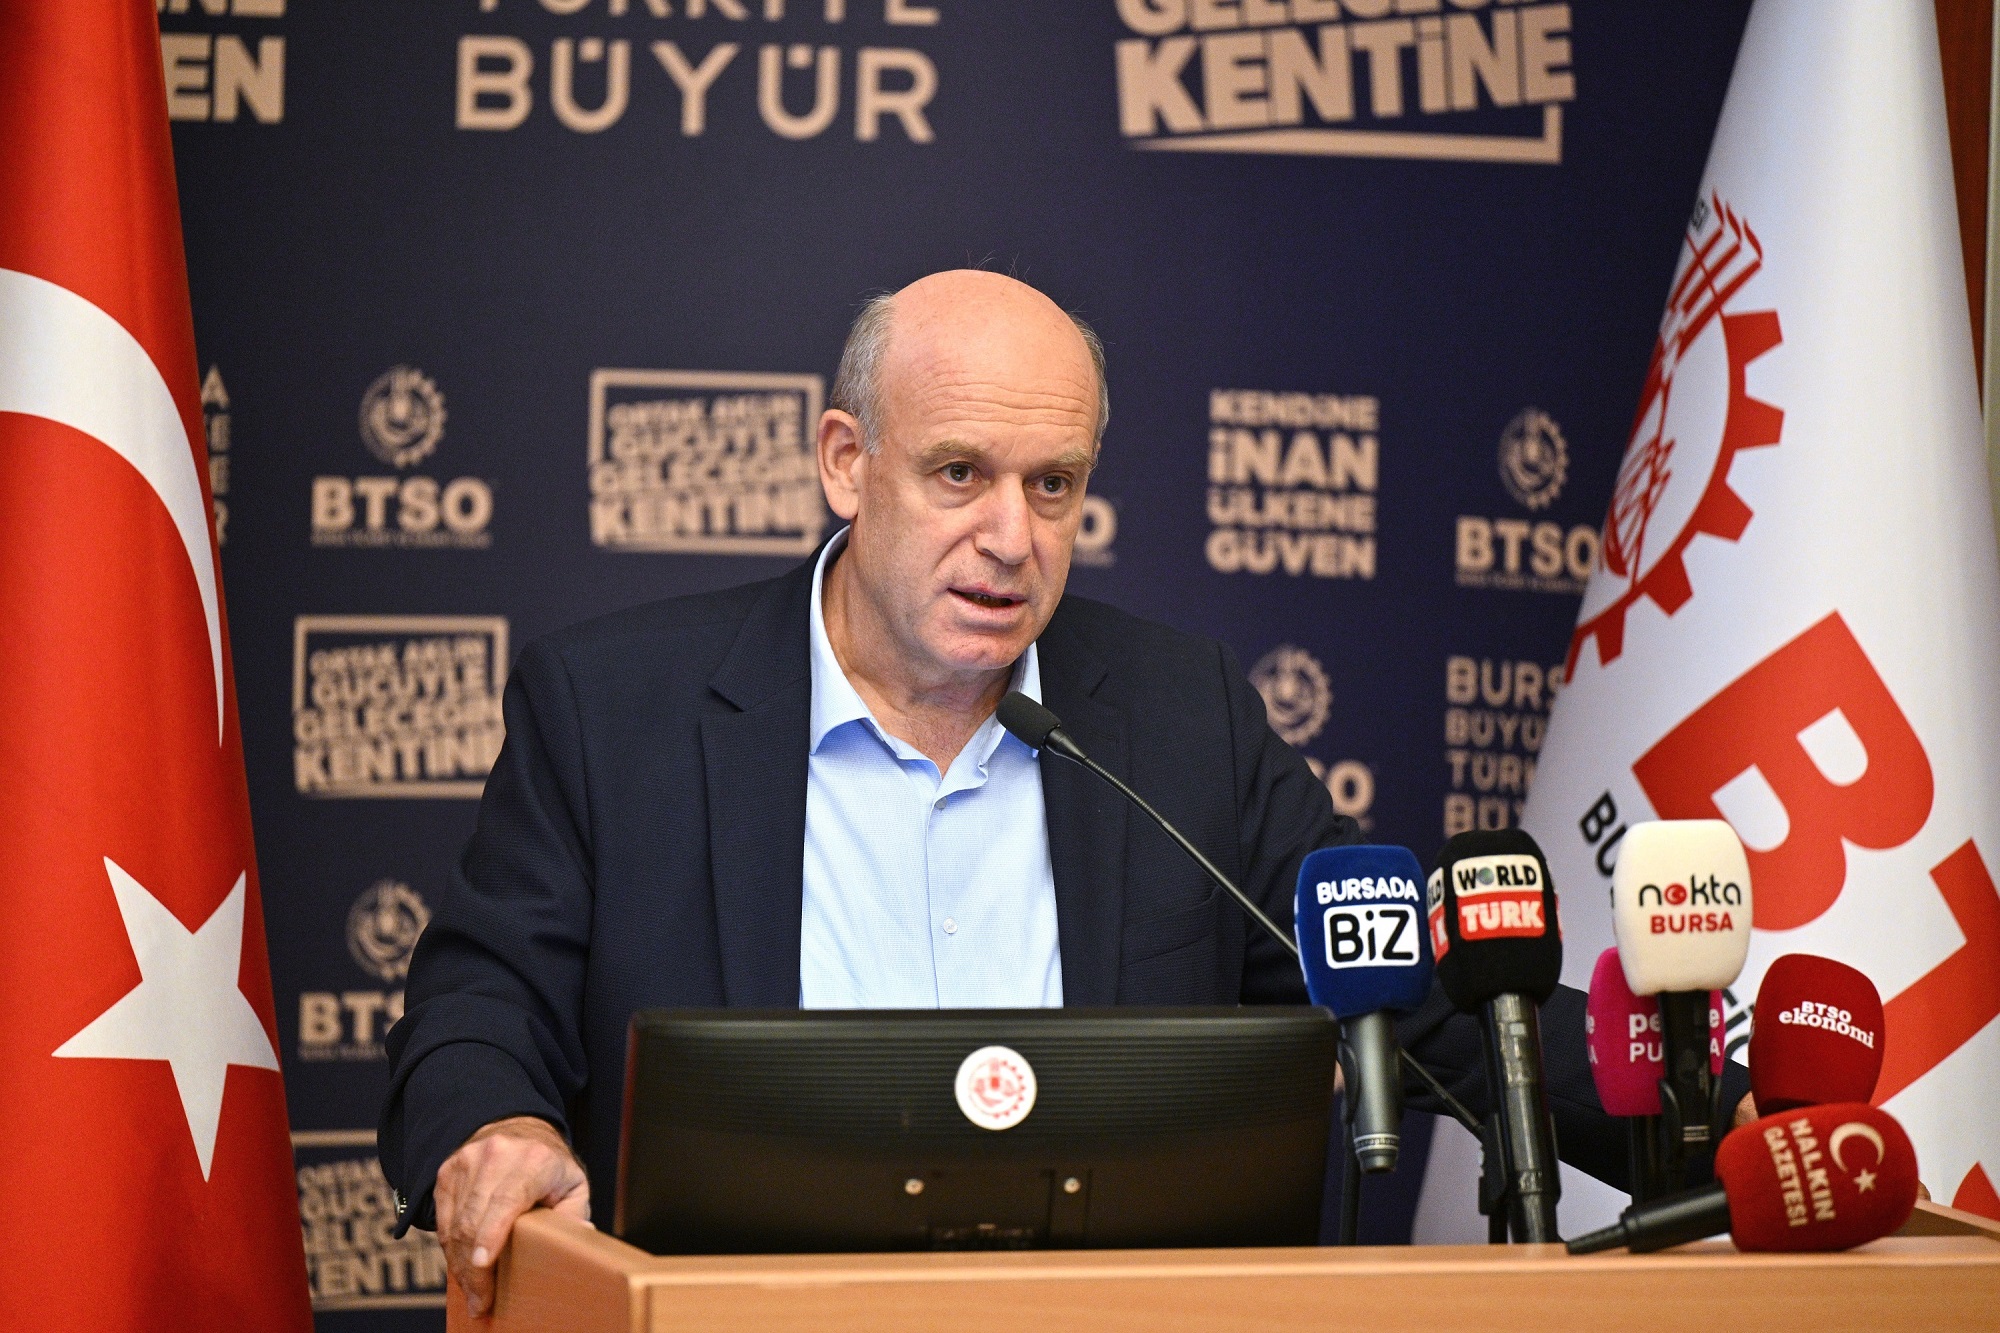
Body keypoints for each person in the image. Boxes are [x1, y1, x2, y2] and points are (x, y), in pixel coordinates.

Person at [381, 270, 1750, 1317]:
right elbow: (476, 997)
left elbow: (1415, 989)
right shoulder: (611, 707)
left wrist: (1727, 1129)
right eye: (959, 474)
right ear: (847, 462)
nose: (1011, 538)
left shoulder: (1177, 716)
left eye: (1053, 486)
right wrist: (499, 1125)